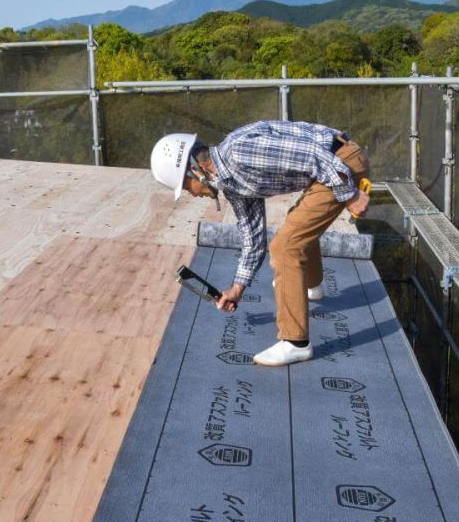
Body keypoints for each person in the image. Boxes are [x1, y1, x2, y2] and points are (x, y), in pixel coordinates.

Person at [150, 121, 370, 366]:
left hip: (342, 163)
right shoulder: (232, 184)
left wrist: (350, 194)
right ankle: (312, 287)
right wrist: (237, 288)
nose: (192, 194)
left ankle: (295, 343)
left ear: (196, 169)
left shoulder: (239, 152)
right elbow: (253, 238)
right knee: (295, 228)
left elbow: (313, 154)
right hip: (329, 167)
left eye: (186, 186)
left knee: (285, 245)